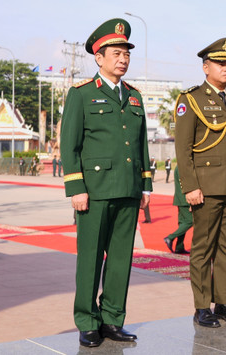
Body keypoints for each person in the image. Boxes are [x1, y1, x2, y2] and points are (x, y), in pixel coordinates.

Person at [60, 18, 152, 347]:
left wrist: (145, 186)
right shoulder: (82, 94)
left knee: (121, 259)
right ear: (99, 57)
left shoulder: (136, 97)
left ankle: (113, 319)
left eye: (126, 53)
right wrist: (76, 189)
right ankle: (87, 320)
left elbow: (140, 143)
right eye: (116, 52)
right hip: (94, 192)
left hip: (127, 189)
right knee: (90, 258)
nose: (123, 59)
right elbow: (69, 145)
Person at [174, 37, 226, 328]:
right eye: (221, 63)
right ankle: (201, 306)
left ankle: (223, 302)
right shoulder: (192, 99)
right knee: (203, 247)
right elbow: (183, 150)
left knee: (225, 248)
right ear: (206, 66)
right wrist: (190, 186)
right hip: (206, 187)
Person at [163, 167, 192, 254]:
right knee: (190, 221)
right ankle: (170, 238)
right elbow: (187, 185)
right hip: (185, 200)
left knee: (183, 223)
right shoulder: (183, 168)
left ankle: (179, 247)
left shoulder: (179, 166)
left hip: (180, 199)